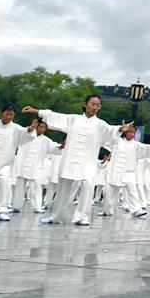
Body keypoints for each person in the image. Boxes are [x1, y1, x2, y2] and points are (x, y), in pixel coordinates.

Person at [22, 96, 134, 225]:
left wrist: (120, 129)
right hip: (70, 159)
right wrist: (36, 111)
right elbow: (56, 116)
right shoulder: (74, 119)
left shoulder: (100, 124)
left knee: (88, 184)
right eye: (92, 104)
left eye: (98, 105)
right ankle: (56, 217)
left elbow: (110, 131)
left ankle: (82, 217)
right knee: (63, 187)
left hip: (88, 162)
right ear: (85, 104)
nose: (95, 107)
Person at [11, 120, 60, 213]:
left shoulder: (46, 140)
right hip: (23, 165)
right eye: (41, 127)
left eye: (44, 128)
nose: (42, 129)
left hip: (36, 167)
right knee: (20, 187)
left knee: (36, 188)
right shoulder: (27, 135)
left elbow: (54, 147)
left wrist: (61, 147)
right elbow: (21, 136)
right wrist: (30, 129)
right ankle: (16, 206)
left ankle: (37, 206)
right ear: (36, 126)